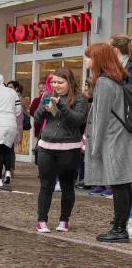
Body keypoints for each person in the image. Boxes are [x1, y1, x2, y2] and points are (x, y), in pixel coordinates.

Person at [84, 43, 132, 243]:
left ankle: (119, 229)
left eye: (89, 57)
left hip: (113, 140)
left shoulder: (104, 82)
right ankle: (120, 225)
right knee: (125, 184)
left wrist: (94, 148)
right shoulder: (117, 79)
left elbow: (101, 117)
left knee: (119, 184)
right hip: (122, 137)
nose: (87, 60)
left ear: (98, 59)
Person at [33, 67, 87, 233]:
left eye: (60, 82)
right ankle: (41, 221)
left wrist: (60, 105)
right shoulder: (48, 95)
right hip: (46, 147)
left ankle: (64, 220)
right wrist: (44, 107)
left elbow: (77, 120)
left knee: (67, 186)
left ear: (69, 82)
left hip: (69, 148)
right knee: (46, 185)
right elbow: (37, 119)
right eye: (54, 82)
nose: (56, 85)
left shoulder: (79, 98)